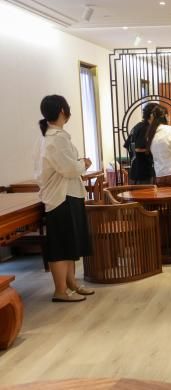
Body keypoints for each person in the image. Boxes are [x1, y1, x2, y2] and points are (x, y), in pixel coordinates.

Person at [34, 95, 94, 302]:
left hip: (66, 194)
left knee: (69, 243)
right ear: (62, 110)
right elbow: (69, 169)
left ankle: (72, 283)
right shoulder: (56, 138)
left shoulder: (49, 136)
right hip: (62, 196)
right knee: (61, 245)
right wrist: (84, 163)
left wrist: (78, 164)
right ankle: (60, 290)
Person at [124, 102, 158, 184]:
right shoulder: (146, 128)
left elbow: (127, 145)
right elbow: (138, 148)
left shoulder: (137, 126)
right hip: (143, 173)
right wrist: (155, 149)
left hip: (134, 171)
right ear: (152, 115)